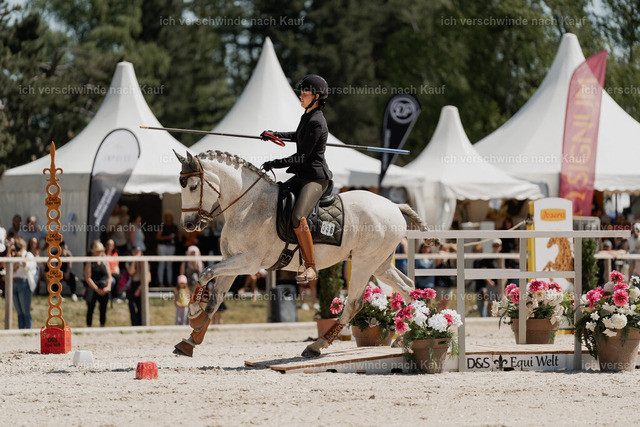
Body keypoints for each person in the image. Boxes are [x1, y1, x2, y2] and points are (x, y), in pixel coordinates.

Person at [260, 74, 333, 284]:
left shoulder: (317, 121)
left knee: (298, 216)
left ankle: (310, 267)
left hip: (315, 179)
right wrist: (274, 134)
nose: (301, 95)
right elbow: (297, 135)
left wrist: (275, 163)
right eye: (301, 91)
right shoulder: (307, 116)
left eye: (305, 92)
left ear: (316, 96)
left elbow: (301, 157)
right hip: (302, 175)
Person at [84, 240, 112, 327]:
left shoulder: (104, 260)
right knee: (90, 308)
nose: (99, 252)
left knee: (103, 309)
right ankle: (89, 326)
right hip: (93, 286)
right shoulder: (90, 261)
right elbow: (88, 277)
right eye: (97, 251)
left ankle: (102, 326)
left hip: (104, 286)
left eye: (100, 251)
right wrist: (96, 289)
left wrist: (108, 287)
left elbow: (109, 276)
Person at [11, 237, 37, 329]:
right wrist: (10, 252)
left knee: (25, 310)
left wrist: (21, 257)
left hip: (24, 282)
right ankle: (21, 331)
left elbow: (30, 267)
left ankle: (28, 331)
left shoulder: (28, 255)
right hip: (13, 283)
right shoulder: (13, 256)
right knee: (19, 312)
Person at [126, 246, 150, 326]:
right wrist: (134, 261)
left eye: (138, 252)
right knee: (132, 306)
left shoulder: (145, 263)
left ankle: (142, 325)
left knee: (141, 306)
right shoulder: (129, 262)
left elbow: (148, 278)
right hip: (131, 285)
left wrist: (139, 288)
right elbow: (131, 272)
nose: (136, 253)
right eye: (134, 252)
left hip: (141, 285)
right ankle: (134, 325)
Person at [156, 211, 178, 285]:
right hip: (162, 246)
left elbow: (179, 236)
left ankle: (169, 282)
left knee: (169, 265)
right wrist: (168, 237)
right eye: (167, 217)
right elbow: (158, 237)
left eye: (169, 217)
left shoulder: (174, 227)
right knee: (161, 264)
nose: (168, 218)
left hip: (171, 247)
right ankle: (161, 283)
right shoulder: (162, 226)